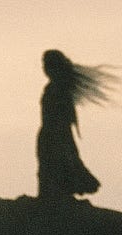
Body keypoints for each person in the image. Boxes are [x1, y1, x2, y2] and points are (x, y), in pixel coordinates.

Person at [36, 49, 117, 201]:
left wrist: (58, 132)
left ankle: (57, 197)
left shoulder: (59, 89)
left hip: (57, 133)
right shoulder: (54, 88)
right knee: (51, 164)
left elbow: (64, 115)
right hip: (50, 132)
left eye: (47, 65)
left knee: (59, 163)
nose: (44, 69)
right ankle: (49, 197)